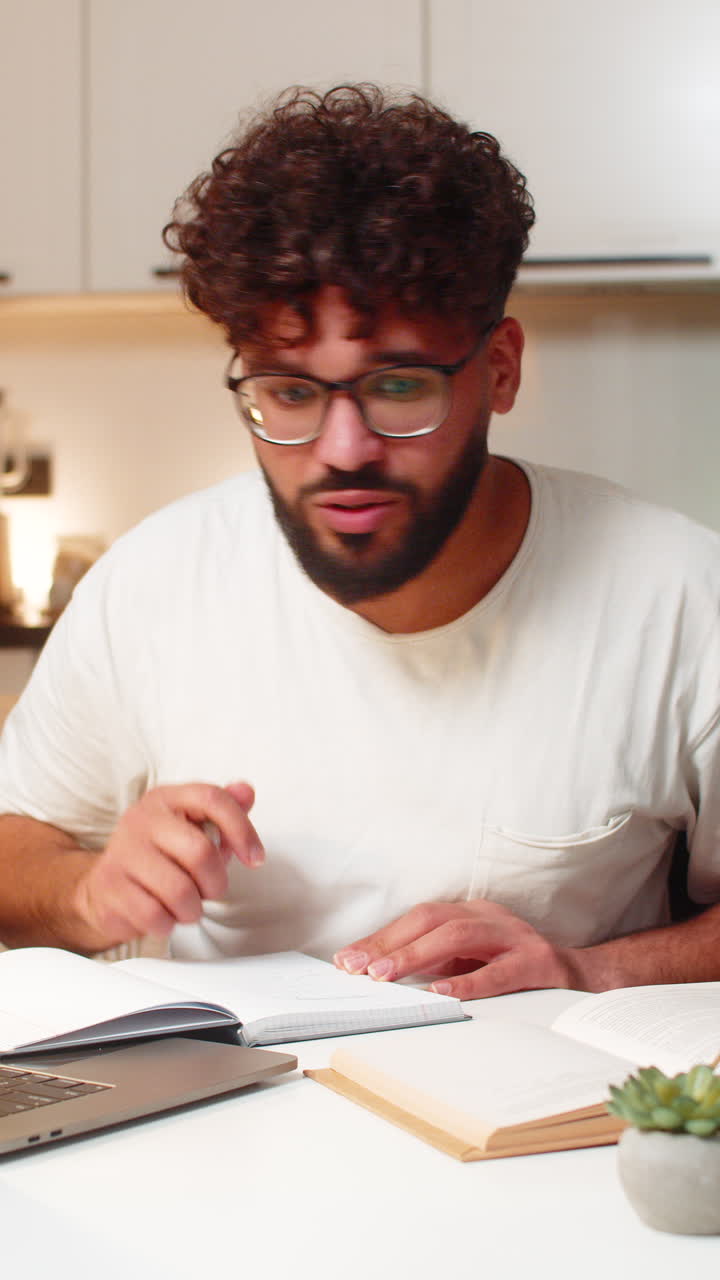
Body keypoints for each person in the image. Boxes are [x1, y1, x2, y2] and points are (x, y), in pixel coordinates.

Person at [0, 83, 718, 999]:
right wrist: (87, 892)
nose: (344, 451)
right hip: (230, 1091)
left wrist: (589, 968)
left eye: (399, 386)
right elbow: (14, 853)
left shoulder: (680, 594)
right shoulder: (154, 582)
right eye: (291, 393)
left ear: (499, 369)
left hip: (551, 1093)